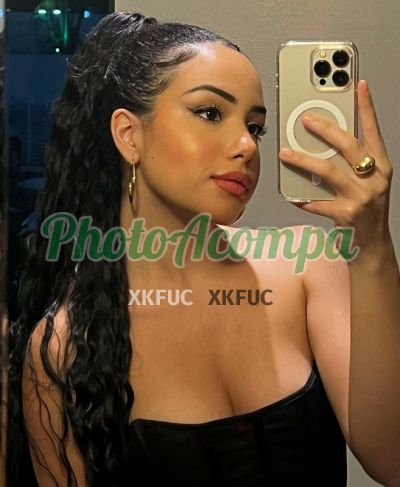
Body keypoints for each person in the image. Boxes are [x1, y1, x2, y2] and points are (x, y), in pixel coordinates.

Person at [7, 10, 400, 487]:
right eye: (210, 113)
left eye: (255, 127)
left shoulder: (308, 266)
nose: (246, 145)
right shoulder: (64, 345)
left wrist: (373, 244)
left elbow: (391, 460)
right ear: (129, 135)